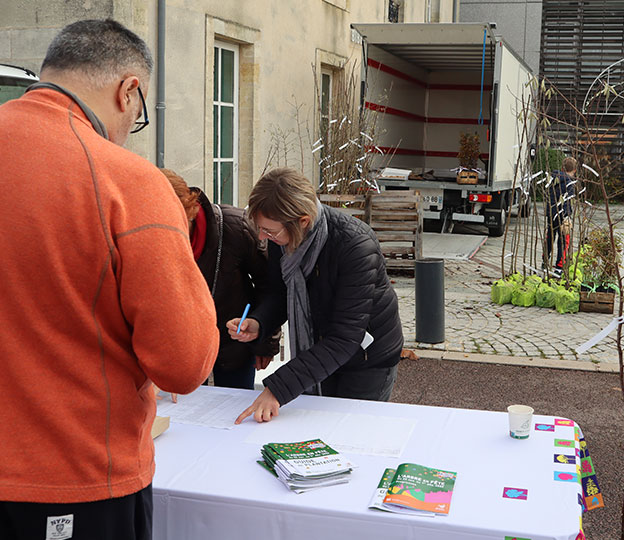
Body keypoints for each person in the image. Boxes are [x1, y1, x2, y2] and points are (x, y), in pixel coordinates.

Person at [0, 19, 218, 540]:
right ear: (129, 91)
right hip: (73, 478)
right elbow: (184, 363)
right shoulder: (127, 180)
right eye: (137, 115)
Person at [226, 167, 403, 423]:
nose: (263, 237)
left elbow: (345, 338)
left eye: (270, 231)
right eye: (260, 229)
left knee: (349, 433)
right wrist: (259, 322)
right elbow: (280, 293)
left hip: (366, 361)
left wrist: (277, 388)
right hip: (320, 350)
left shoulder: (356, 246)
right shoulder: (284, 239)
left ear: (303, 221)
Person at [163, 169, 281, 389]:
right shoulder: (149, 240)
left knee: (231, 414)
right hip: (181, 353)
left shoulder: (236, 226)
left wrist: (265, 342)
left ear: (189, 212)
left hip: (234, 347)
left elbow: (270, 287)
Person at [544, 156, 577, 277]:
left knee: (550, 237)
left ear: (562, 168)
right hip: (562, 215)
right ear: (574, 170)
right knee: (563, 240)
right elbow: (568, 201)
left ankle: (545, 259)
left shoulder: (553, 179)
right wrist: (568, 216)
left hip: (551, 213)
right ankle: (559, 265)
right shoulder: (569, 183)